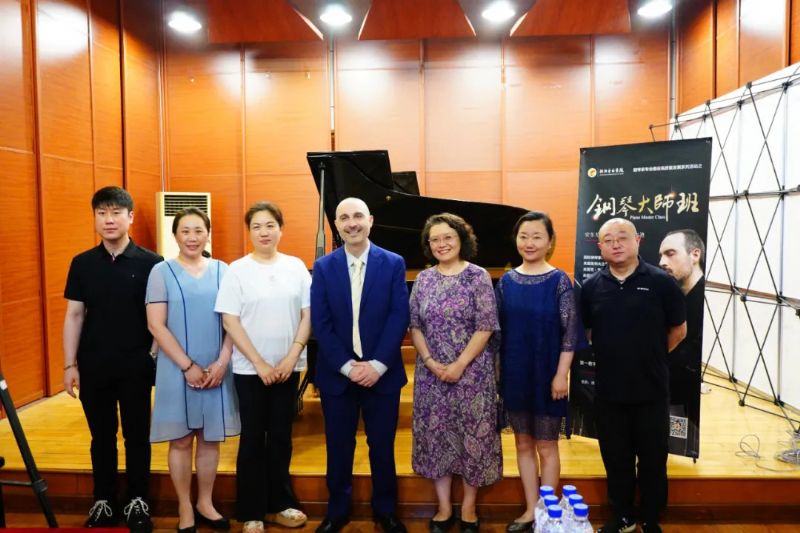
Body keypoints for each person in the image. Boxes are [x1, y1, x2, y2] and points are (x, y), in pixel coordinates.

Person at [63, 186, 162, 531]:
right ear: (94, 217)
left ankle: (138, 500)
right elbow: (74, 315)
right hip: (94, 365)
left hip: (137, 365)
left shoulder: (153, 263)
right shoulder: (82, 264)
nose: (109, 219)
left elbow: (160, 318)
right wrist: (69, 365)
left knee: (137, 435)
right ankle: (103, 500)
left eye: (116, 212)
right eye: (102, 213)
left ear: (130, 217)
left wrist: (152, 355)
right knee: (101, 436)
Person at [580, 218, 687, 533]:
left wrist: (650, 356)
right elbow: (587, 332)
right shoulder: (591, 287)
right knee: (616, 458)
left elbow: (679, 330)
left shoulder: (661, 282)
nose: (616, 244)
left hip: (651, 389)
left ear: (637, 240)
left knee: (653, 459)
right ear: (600, 247)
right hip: (609, 391)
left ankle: (651, 518)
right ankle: (623, 516)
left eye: (622, 237)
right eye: (608, 239)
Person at [310, 197, 410, 533]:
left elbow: (399, 315)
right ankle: (337, 511)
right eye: (344, 218)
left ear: (370, 221)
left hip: (383, 375)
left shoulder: (393, 263)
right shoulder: (323, 267)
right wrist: (347, 366)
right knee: (339, 447)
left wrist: (378, 365)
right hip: (337, 375)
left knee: (382, 447)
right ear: (337, 225)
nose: (351, 223)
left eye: (357, 216)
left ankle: (386, 510)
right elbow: (321, 322)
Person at [215, 202, 311, 533]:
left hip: (288, 367)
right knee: (253, 438)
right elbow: (230, 320)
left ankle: (280, 504)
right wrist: (259, 363)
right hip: (248, 370)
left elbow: (308, 315)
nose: (264, 232)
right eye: (257, 226)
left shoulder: (296, 267)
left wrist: (292, 356)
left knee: (282, 436)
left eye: (270, 225)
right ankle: (251, 510)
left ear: (281, 229)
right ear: (250, 232)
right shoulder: (237, 270)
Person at [146, 207, 240, 533]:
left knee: (210, 440)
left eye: (199, 230)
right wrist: (187, 366)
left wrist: (222, 362)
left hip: (216, 368)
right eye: (185, 231)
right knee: (182, 440)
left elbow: (233, 321)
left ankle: (205, 503)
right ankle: (185, 507)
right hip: (176, 368)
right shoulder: (161, 272)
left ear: (208, 234)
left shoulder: (223, 271)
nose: (192, 237)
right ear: (175, 235)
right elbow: (156, 325)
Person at [409, 213, 502, 533]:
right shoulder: (423, 279)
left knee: (473, 438)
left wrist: (460, 364)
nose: (442, 244)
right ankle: (444, 507)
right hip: (431, 375)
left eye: (448, 237)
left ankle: (469, 508)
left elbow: (486, 325)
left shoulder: (477, 276)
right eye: (434, 239)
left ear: (461, 239)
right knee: (436, 439)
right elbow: (415, 326)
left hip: (472, 374)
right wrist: (429, 360)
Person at [495, 212, 580, 532]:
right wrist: (498, 376)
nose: (529, 243)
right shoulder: (506, 282)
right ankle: (531, 509)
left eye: (537, 236)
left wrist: (561, 375)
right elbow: (497, 333)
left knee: (546, 445)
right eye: (524, 236)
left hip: (548, 374)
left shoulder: (559, 281)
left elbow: (570, 333)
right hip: (516, 374)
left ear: (549, 241)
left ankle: (547, 513)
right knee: (522, 444)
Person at [659, 229, 706, 455]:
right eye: (661, 255)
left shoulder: (705, 298)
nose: (662, 262)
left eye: (670, 254)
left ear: (694, 255)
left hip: (686, 395)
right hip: (667, 388)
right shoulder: (673, 295)